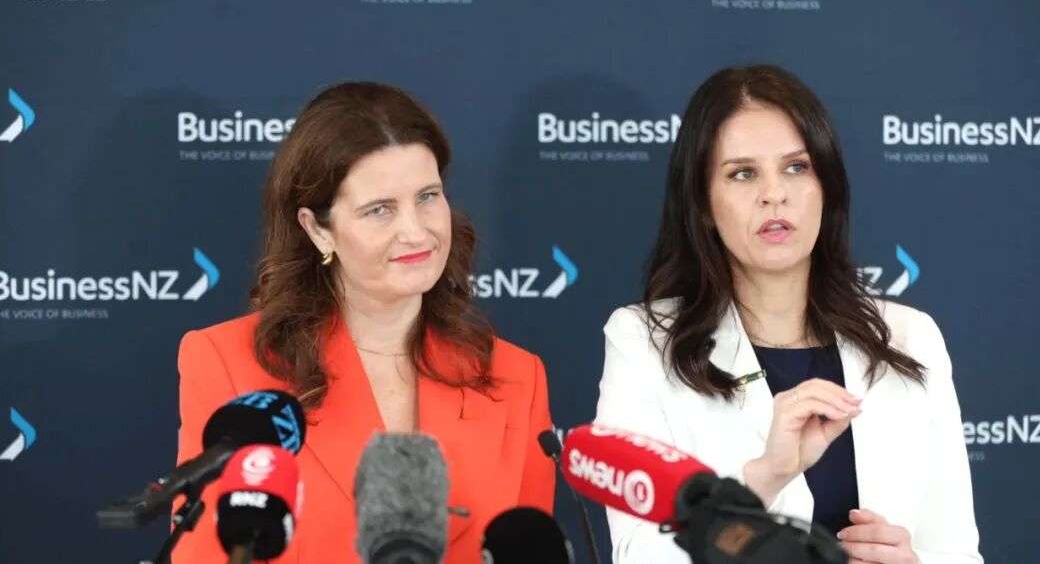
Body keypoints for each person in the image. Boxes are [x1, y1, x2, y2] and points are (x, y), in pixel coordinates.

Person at [594, 65, 981, 564]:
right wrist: (765, 478)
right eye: (743, 173)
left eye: (796, 167)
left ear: (827, 186)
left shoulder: (910, 338)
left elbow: (956, 551)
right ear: (704, 204)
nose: (774, 193)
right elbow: (635, 555)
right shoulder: (645, 342)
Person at [172, 82, 554, 563]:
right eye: (380, 210)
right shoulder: (228, 364)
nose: (416, 231)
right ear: (317, 229)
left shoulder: (517, 377)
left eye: (427, 197)